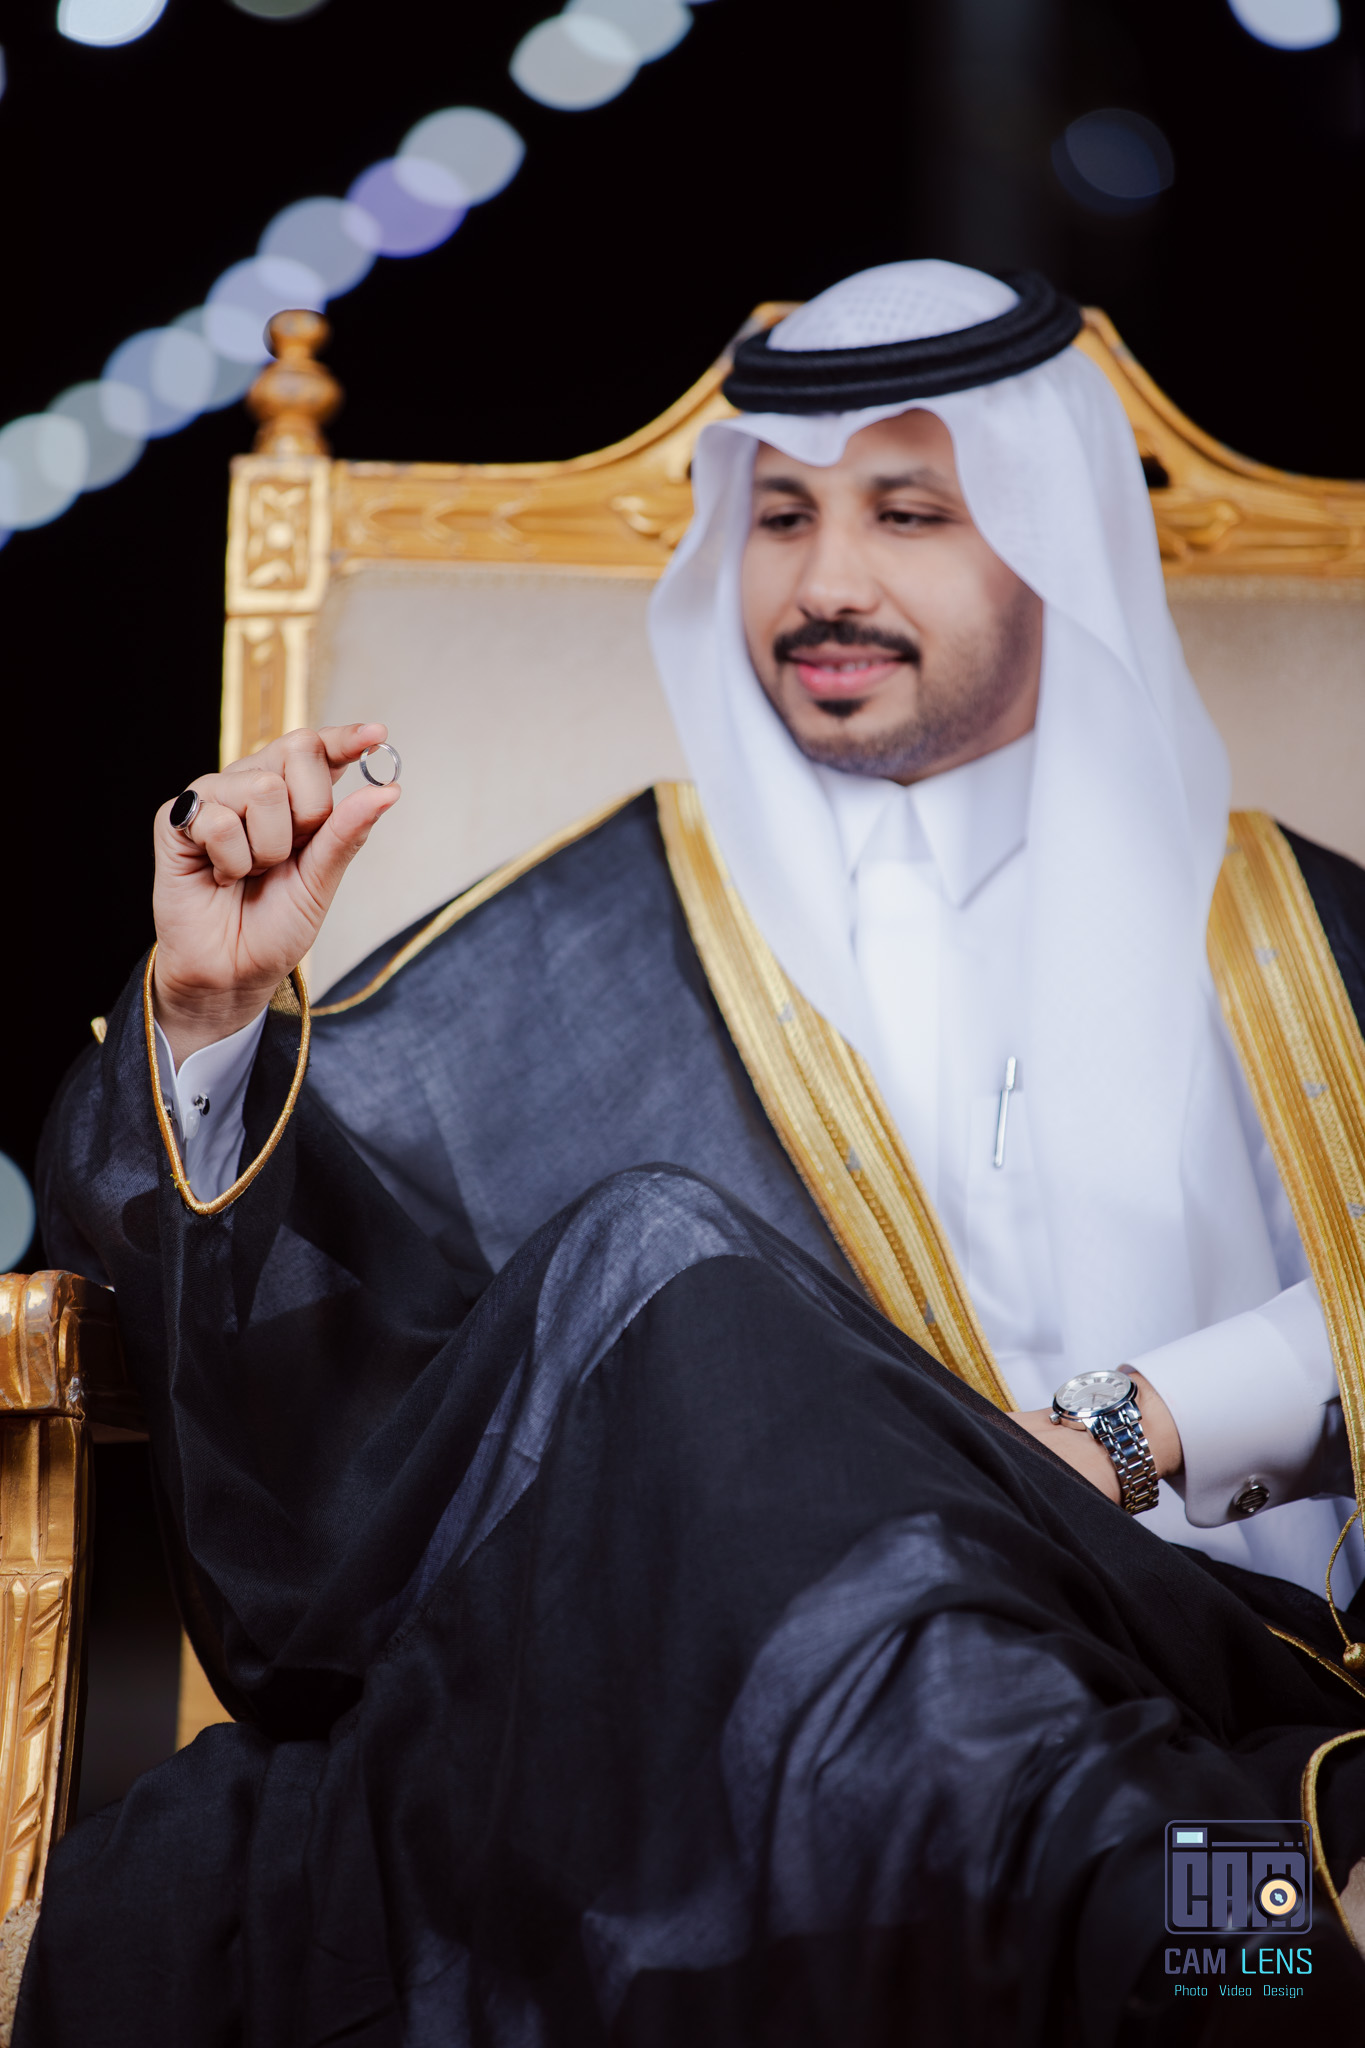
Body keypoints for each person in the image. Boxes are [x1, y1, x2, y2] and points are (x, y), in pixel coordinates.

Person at [23, 262, 1365, 2043]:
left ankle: (1147, 1900)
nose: (824, 584)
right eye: (780, 517)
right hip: (724, 1691)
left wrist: (1121, 1433)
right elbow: (318, 1347)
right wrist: (210, 1020)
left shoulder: (1304, 946)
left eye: (908, 514)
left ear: (1049, 537)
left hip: (1195, 1648)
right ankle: (1241, 1930)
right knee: (660, 1263)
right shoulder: (596, 933)